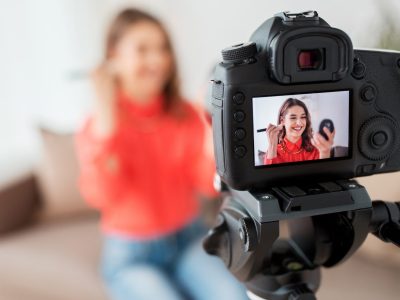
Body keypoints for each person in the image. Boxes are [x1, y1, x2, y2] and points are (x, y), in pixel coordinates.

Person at [75, 8, 247, 300]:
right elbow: (101, 196)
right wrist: (107, 124)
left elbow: (207, 185)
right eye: (142, 50)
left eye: (162, 48)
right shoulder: (98, 125)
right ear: (114, 57)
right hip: (132, 255)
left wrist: (211, 129)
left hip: (189, 239)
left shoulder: (186, 114)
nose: (157, 60)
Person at [264, 98, 335, 165]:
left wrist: (325, 152)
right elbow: (268, 175)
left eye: (303, 117)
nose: (299, 123)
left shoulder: (314, 148)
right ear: (282, 121)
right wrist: (272, 145)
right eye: (293, 118)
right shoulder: (273, 150)